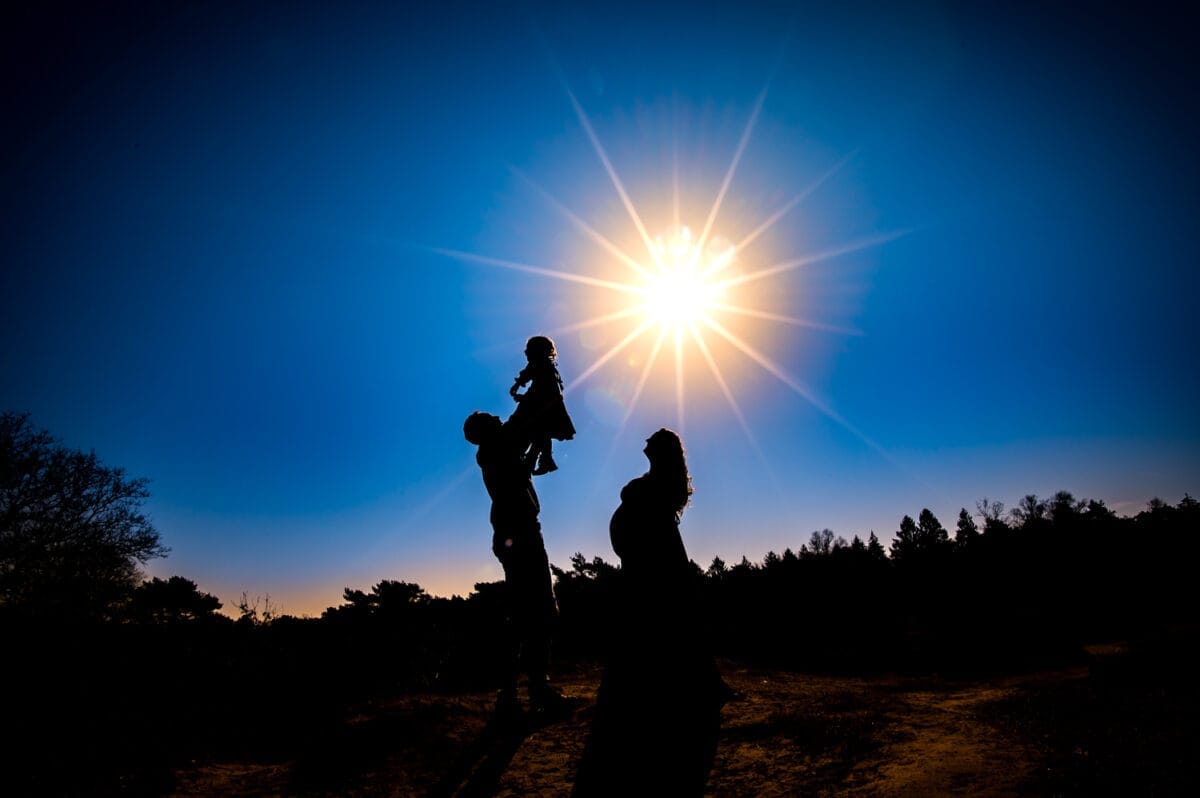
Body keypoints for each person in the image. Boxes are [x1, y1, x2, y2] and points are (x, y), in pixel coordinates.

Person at [573, 428, 735, 796]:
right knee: (661, 625)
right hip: (647, 565)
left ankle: (669, 699)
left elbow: (640, 507)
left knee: (665, 624)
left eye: (652, 442)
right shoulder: (652, 484)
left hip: (655, 564)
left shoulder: (655, 486)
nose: (644, 444)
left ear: (660, 451)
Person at [463, 411, 570, 717]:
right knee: (535, 611)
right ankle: (528, 691)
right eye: (491, 418)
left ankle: (521, 691)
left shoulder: (496, 448)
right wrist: (537, 446)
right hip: (520, 533)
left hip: (518, 532)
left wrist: (535, 440)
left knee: (528, 613)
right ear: (485, 430)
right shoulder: (494, 450)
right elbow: (520, 472)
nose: (499, 417)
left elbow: (519, 437)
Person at [509, 335, 576, 475]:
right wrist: (519, 388)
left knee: (540, 430)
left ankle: (540, 459)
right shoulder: (545, 365)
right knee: (542, 431)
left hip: (544, 402)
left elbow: (536, 386)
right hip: (547, 402)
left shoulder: (541, 365)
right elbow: (529, 377)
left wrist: (519, 390)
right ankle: (543, 459)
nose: (526, 353)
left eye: (528, 350)